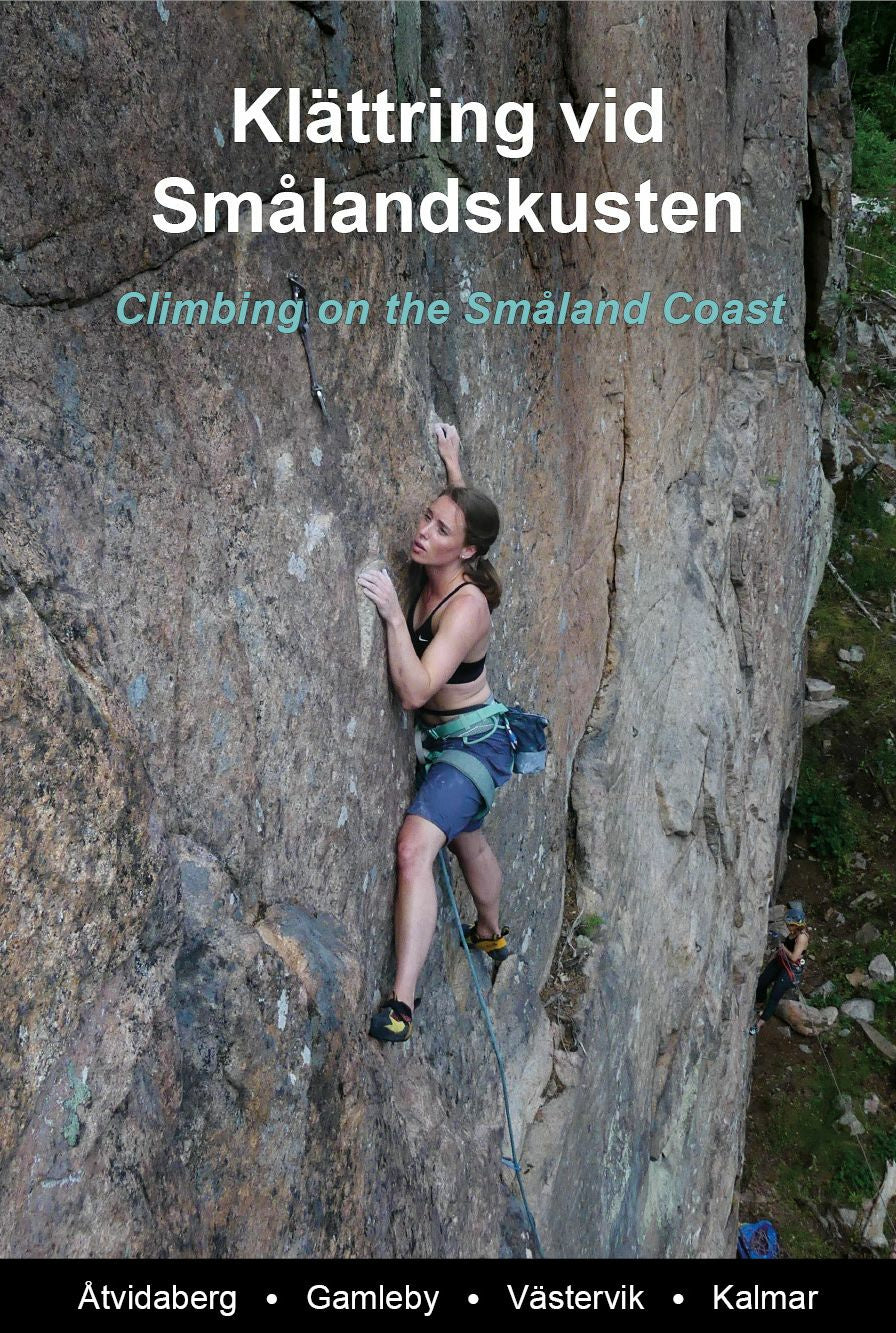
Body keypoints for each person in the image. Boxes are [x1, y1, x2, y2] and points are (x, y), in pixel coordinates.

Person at [357, 423, 515, 1042]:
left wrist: (395, 615)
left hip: (471, 747)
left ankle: (401, 1004)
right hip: (457, 746)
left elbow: (417, 689)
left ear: (466, 553)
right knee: (467, 838)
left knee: (416, 847)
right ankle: (490, 930)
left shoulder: (467, 605)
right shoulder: (454, 549)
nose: (423, 533)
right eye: (426, 518)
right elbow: (463, 512)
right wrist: (452, 463)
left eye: (440, 530)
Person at [748, 904, 810, 1037]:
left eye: (790, 925)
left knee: (775, 995)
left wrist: (782, 947)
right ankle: (759, 1003)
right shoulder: (794, 932)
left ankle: (760, 1023)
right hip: (781, 961)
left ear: (796, 925)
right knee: (763, 980)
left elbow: (794, 957)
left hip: (791, 969)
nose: (788, 927)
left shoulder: (802, 938)